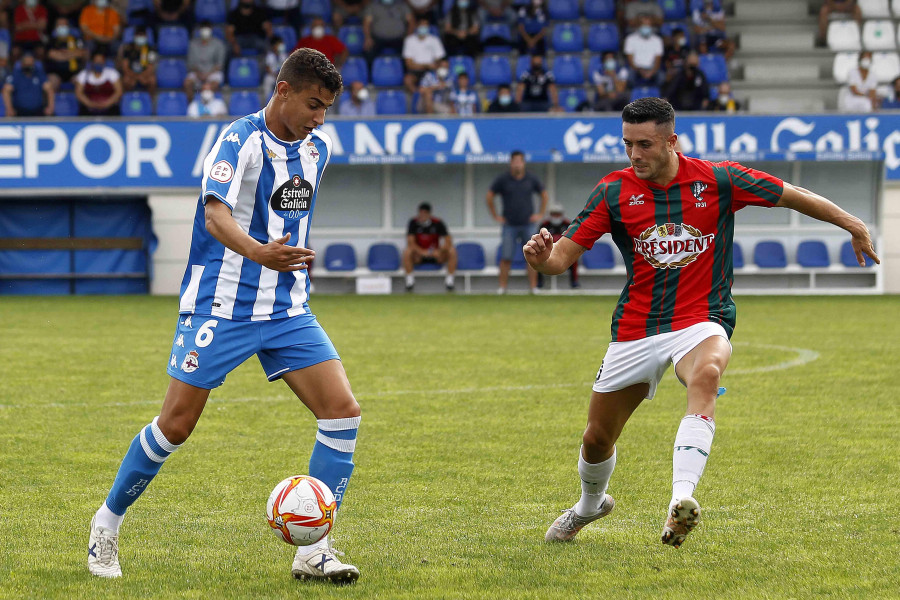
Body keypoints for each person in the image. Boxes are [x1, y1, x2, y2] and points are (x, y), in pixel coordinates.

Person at [524, 97, 878, 550]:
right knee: (596, 439)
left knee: (706, 375)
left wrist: (851, 222)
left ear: (672, 141)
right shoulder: (614, 191)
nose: (635, 155)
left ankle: (681, 501)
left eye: (646, 144)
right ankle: (588, 507)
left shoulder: (718, 178)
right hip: (637, 326)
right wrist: (540, 259)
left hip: (701, 319)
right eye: (628, 144)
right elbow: (561, 258)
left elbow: (792, 195)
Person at [86, 48, 362, 584]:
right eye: (313, 103)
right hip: (221, 305)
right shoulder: (238, 141)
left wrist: (286, 264)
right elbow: (214, 214)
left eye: (327, 108)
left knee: (343, 412)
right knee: (176, 425)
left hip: (286, 309)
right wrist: (261, 252)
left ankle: (315, 549)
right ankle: (106, 524)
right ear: (282, 89)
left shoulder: (317, 151)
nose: (319, 118)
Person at [486, 150, 548, 294]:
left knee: (532, 256)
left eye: (520, 161)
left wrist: (540, 214)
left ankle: (533, 287)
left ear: (523, 163)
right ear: (511, 163)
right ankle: (502, 288)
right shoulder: (503, 179)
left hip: (528, 224)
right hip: (509, 225)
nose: (517, 164)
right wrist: (496, 215)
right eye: (514, 161)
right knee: (506, 256)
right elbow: (489, 196)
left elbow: (544, 195)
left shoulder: (531, 178)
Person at [402, 202, 457, 292]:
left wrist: (439, 251)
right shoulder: (413, 222)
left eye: (425, 213)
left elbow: (448, 241)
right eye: (421, 213)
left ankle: (449, 282)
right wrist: (422, 252)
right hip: (419, 255)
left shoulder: (438, 223)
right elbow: (410, 242)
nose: (422, 215)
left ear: (429, 214)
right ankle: (409, 283)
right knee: (407, 252)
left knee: (452, 251)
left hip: (436, 254)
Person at [537, 204, 578, 289]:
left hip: (564, 251)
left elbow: (573, 239)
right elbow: (539, 239)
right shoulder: (545, 225)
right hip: (547, 251)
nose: (556, 216)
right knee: (537, 258)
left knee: (574, 258)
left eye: (558, 214)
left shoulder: (568, 224)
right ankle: (539, 282)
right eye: (554, 214)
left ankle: (574, 282)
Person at [2, 52, 55, 116]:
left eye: (30, 63)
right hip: (19, 111)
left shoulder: (39, 74)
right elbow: (6, 90)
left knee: (51, 114)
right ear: (22, 64)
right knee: (9, 115)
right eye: (26, 63)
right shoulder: (16, 75)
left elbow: (49, 89)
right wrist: (9, 109)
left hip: (38, 110)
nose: (28, 64)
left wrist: (51, 107)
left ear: (34, 63)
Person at [401, 16, 445, 94]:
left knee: (443, 70)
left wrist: (434, 65)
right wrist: (425, 65)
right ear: (417, 27)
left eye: (426, 26)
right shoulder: (409, 40)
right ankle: (418, 95)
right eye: (422, 26)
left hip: (431, 71)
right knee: (407, 80)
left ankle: (428, 95)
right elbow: (409, 64)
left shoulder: (434, 40)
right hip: (416, 71)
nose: (423, 28)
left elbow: (439, 59)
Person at [184, 21, 227, 98]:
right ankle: (191, 105)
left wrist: (207, 75)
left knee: (214, 84)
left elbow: (219, 64)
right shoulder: (193, 44)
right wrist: (199, 74)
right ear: (200, 30)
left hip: (212, 72)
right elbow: (190, 64)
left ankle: (211, 105)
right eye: (203, 28)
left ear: (211, 30)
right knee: (187, 83)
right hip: (197, 72)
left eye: (207, 28)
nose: (205, 31)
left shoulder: (218, 44)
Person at [363, 0, 412, 65]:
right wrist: (368, 38)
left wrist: (408, 38)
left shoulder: (402, 5)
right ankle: (370, 73)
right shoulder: (373, 6)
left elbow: (411, 22)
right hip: (378, 39)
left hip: (399, 39)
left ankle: (405, 74)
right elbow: (366, 23)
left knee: (407, 53)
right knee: (368, 51)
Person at [74, 49, 122, 115]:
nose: (98, 63)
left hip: (109, 108)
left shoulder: (112, 73)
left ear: (104, 62)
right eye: (96, 61)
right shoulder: (84, 75)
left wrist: (107, 104)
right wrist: (90, 104)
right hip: (88, 109)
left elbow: (119, 91)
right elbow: (78, 93)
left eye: (100, 61)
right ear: (92, 62)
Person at [45, 17, 87, 91]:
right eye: (60, 25)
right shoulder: (51, 40)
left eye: (64, 25)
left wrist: (62, 54)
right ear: (56, 27)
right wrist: (73, 53)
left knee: (82, 81)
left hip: (74, 72)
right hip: (56, 72)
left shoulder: (76, 39)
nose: (62, 27)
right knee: (51, 83)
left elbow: (81, 53)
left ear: (68, 27)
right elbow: (52, 55)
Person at [624, 15, 663, 88]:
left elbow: (658, 60)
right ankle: (635, 96)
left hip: (652, 68)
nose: (646, 27)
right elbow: (630, 61)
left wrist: (652, 72)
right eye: (644, 25)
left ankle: (656, 97)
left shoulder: (657, 40)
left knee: (661, 77)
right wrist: (640, 70)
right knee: (629, 75)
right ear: (639, 26)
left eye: (648, 25)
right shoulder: (630, 39)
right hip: (636, 68)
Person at [117, 25, 157, 94]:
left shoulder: (151, 49)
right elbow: (125, 66)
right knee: (125, 80)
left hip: (145, 74)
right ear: (135, 36)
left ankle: (150, 101)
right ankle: (127, 99)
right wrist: (135, 77)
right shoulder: (128, 48)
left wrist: (142, 76)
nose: (141, 38)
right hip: (130, 74)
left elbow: (151, 67)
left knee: (152, 80)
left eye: (143, 36)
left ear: (146, 37)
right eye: (139, 35)